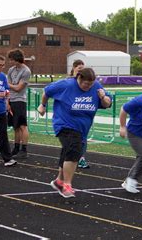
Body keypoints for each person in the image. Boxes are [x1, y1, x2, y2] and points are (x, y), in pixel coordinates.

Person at [38, 68, 111, 198]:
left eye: (91, 84)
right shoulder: (66, 85)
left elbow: (107, 104)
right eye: (86, 84)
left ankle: (59, 181)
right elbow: (47, 91)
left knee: (71, 152)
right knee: (73, 148)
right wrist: (42, 105)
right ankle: (67, 185)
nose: (88, 87)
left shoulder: (96, 87)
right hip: (64, 124)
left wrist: (103, 97)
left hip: (83, 128)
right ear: (79, 79)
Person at [7, 49, 31, 157]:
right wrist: (7, 100)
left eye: (12, 60)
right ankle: (16, 147)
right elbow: (10, 86)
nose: (10, 62)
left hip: (20, 100)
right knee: (15, 126)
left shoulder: (26, 71)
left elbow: (18, 88)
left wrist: (9, 85)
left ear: (17, 59)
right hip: (11, 100)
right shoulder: (11, 70)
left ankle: (24, 149)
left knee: (22, 126)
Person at [68, 60, 90, 169]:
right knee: (72, 138)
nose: (81, 70)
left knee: (83, 137)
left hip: (83, 113)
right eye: (79, 68)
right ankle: (71, 158)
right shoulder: (69, 82)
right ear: (74, 68)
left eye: (83, 68)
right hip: (70, 115)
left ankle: (81, 158)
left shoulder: (86, 81)